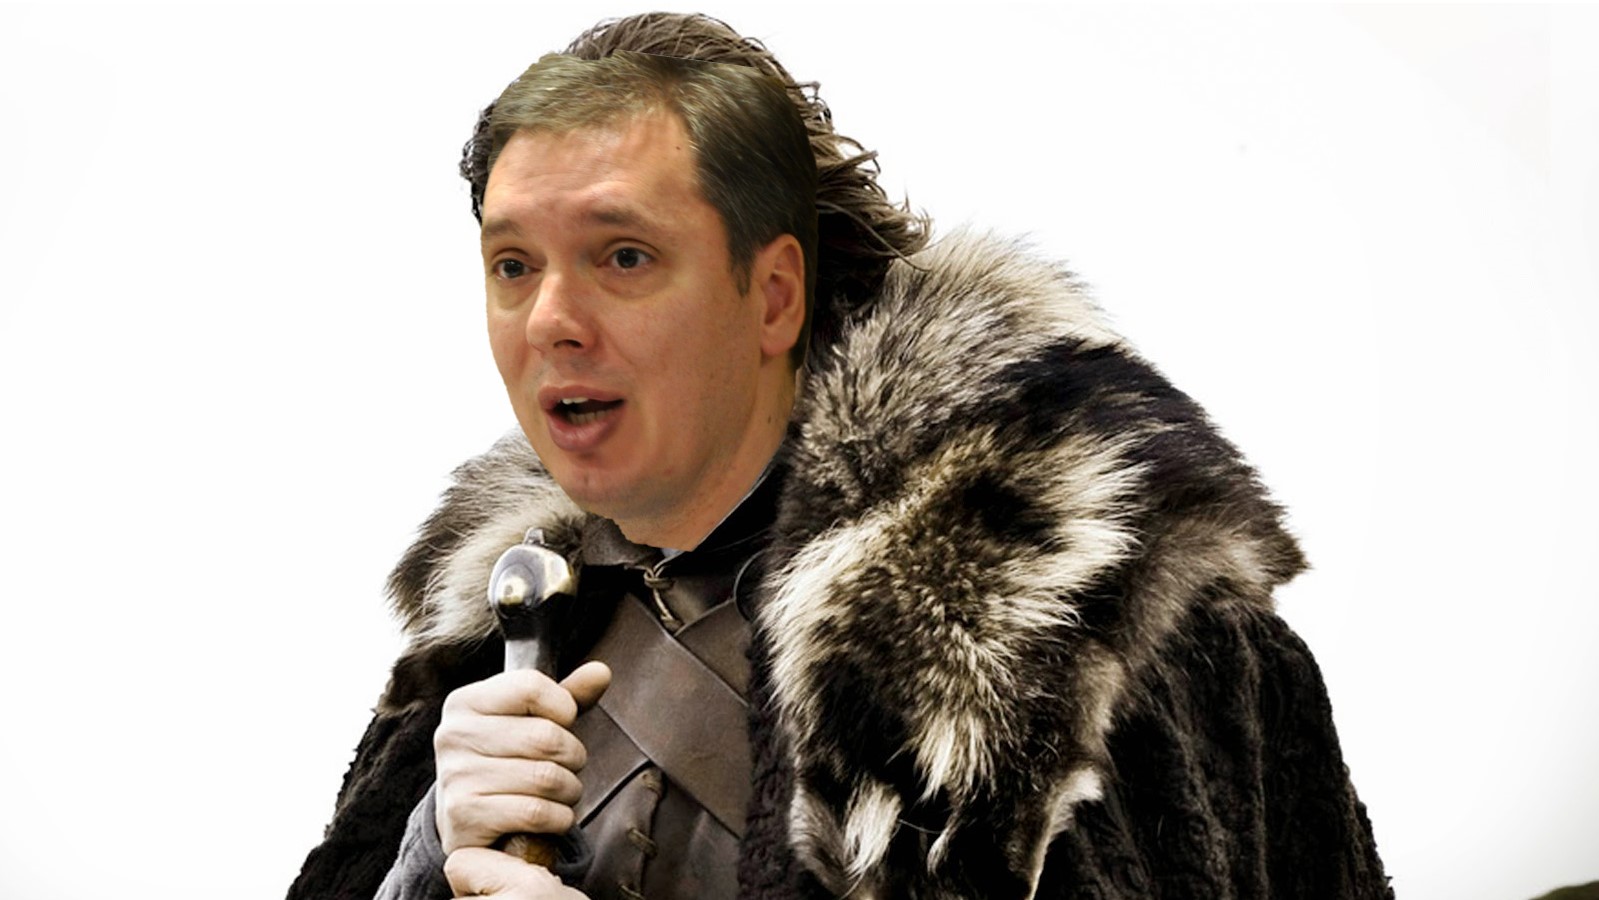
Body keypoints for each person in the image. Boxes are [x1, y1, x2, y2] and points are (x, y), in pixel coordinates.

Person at [288, 12, 1390, 900]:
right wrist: (423, 860)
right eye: (513, 265)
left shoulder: (1080, 638)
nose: (549, 323)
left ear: (773, 295)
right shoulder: (495, 641)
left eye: (623, 256)